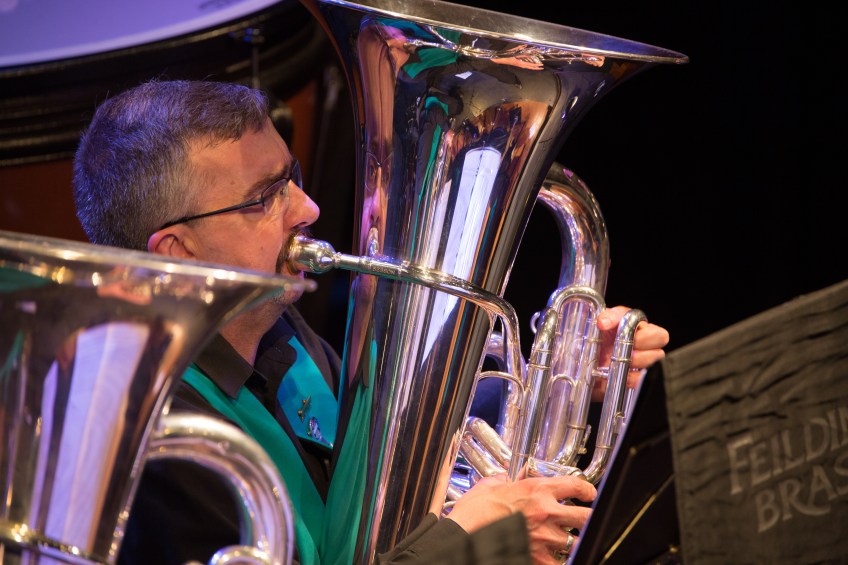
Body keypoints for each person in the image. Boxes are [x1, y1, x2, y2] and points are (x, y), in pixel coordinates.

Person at [73, 79, 669, 565]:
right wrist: (474, 547)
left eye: (292, 177)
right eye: (265, 197)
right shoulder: (153, 442)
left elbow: (393, 486)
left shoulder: (279, 337)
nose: (308, 208)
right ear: (178, 254)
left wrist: (560, 384)